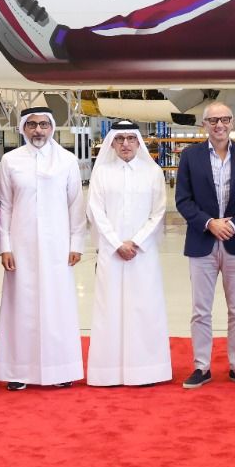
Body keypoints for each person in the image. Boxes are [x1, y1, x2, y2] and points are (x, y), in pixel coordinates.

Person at [0, 107, 86, 389]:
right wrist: (5, 246)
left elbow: (76, 205)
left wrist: (76, 243)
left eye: (44, 124)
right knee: (20, 307)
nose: (38, 130)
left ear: (52, 127)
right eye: (32, 125)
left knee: (57, 307)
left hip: (58, 247)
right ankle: (18, 372)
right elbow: (5, 207)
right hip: (20, 248)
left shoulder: (67, 161)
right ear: (23, 128)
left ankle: (60, 371)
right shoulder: (10, 161)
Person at [175, 102, 235, 389]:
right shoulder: (190, 156)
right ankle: (202, 366)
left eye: (224, 119)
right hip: (202, 241)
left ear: (232, 122)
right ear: (204, 125)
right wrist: (210, 222)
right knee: (201, 310)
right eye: (213, 120)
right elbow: (183, 200)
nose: (219, 125)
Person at [86, 120, 172, 387]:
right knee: (109, 309)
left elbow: (158, 212)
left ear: (138, 142)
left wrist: (135, 242)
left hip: (143, 254)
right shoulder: (101, 173)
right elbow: (95, 211)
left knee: (144, 309)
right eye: (120, 139)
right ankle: (108, 372)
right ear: (112, 142)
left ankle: (148, 371)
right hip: (111, 254)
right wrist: (115, 243)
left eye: (131, 139)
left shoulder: (153, 171)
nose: (125, 144)